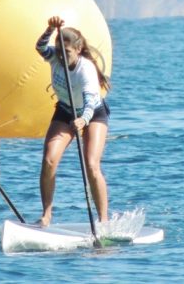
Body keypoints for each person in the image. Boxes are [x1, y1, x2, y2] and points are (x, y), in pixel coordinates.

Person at [35, 16, 111, 227]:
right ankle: (46, 215)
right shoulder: (54, 57)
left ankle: (103, 220)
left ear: (78, 49)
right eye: (59, 51)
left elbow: (90, 103)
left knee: (91, 165)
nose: (61, 56)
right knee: (49, 160)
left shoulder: (86, 70)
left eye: (66, 52)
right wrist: (50, 29)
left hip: (93, 113)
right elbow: (40, 47)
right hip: (66, 110)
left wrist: (83, 121)